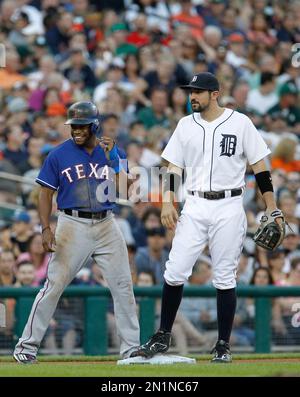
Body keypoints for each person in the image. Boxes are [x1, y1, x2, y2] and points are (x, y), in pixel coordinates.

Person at [131, 72, 283, 363]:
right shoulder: (185, 125)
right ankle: (163, 335)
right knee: (174, 270)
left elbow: (260, 168)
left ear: (215, 94)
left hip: (229, 204)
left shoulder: (240, 123)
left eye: (198, 91)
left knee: (224, 276)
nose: (192, 96)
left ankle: (223, 344)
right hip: (195, 204)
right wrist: (167, 202)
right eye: (191, 91)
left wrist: (271, 206)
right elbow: (172, 167)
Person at [13, 101, 140, 364]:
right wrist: (46, 228)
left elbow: (126, 191)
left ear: (95, 125)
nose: (76, 130)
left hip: (107, 223)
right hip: (72, 223)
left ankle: (131, 350)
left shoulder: (112, 151)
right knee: (53, 285)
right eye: (73, 126)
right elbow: (45, 193)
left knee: (123, 286)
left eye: (82, 126)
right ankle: (26, 346)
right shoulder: (59, 154)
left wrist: (116, 160)